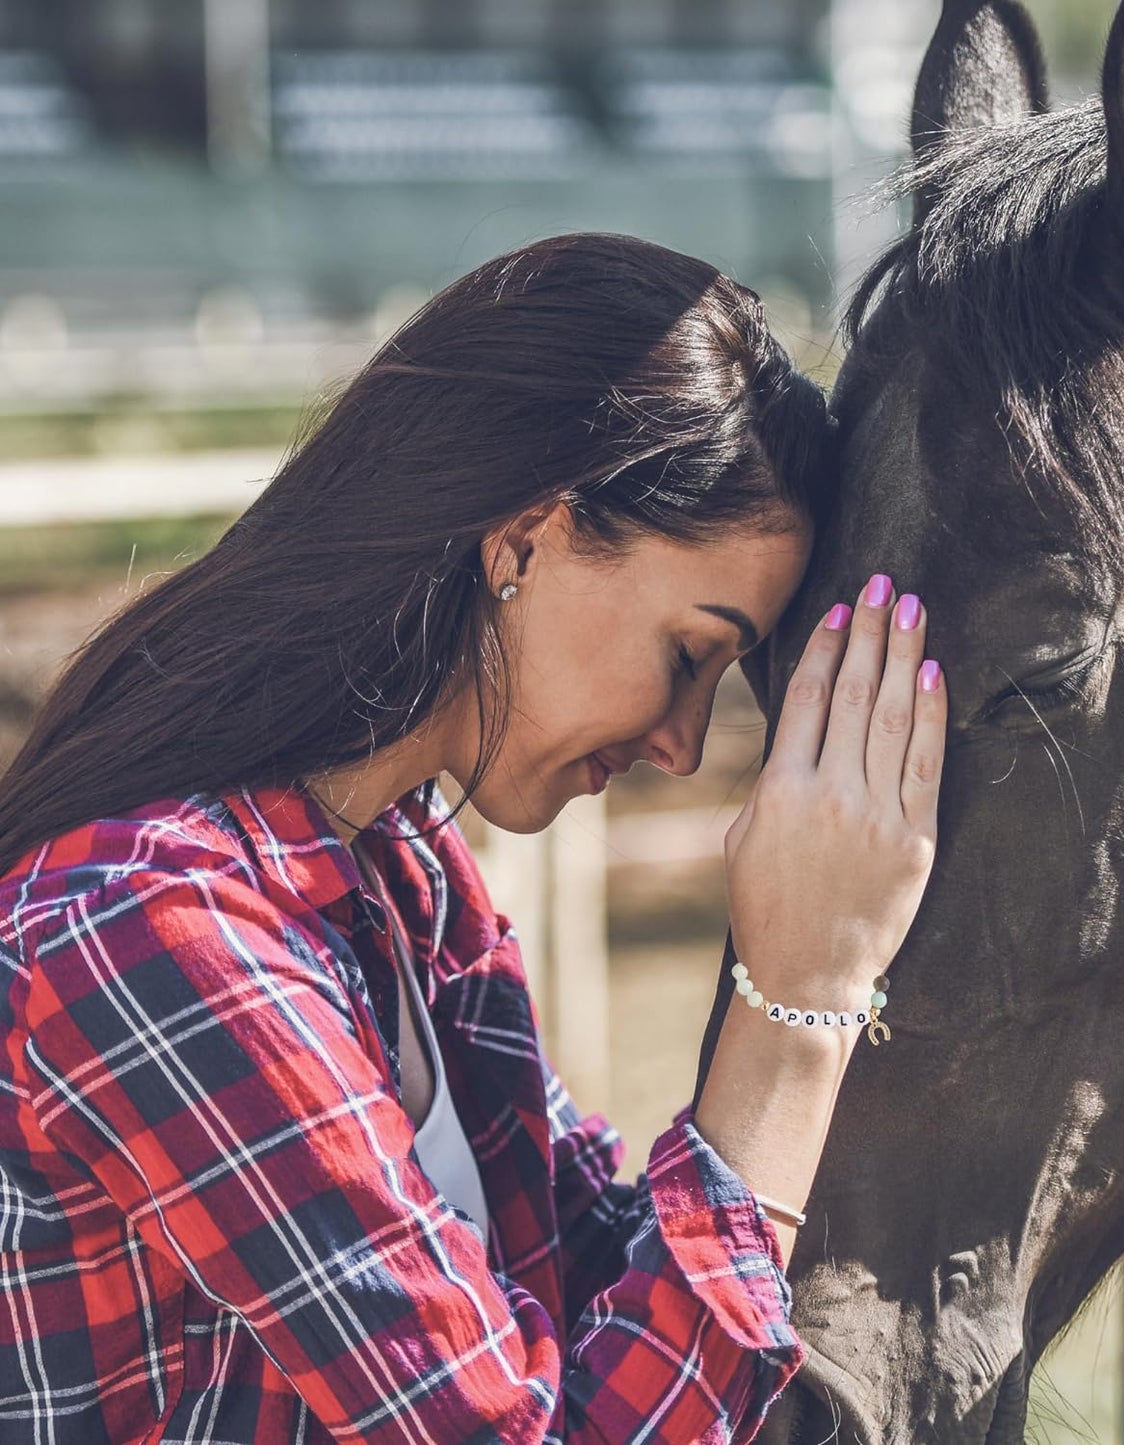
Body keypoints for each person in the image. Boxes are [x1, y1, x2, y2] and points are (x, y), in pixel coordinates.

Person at [0, 233, 946, 1443]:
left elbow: (581, 1270)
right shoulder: (154, 934)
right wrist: (795, 1006)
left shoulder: (400, 876)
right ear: (523, 540)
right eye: (686, 654)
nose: (680, 740)